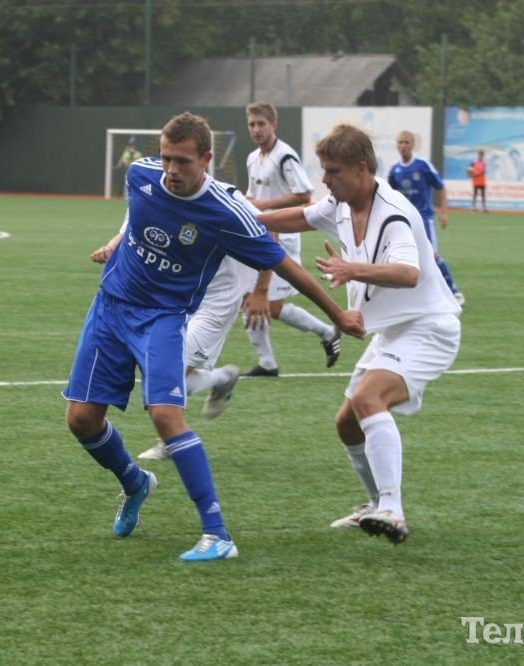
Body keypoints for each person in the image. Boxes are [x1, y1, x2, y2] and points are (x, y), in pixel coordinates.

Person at [63, 112, 363, 561]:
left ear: (206, 159)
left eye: (182, 161)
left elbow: (283, 263)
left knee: (166, 416)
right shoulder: (142, 174)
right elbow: (135, 217)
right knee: (81, 420)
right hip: (109, 308)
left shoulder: (226, 212)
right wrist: (114, 244)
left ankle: (217, 534)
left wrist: (337, 313)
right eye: (166, 158)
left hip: (164, 318)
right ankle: (134, 482)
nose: (170, 170)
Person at [256, 123, 461, 545]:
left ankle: (393, 510)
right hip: (392, 333)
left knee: (369, 399)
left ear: (362, 168)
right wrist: (251, 220)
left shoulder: (394, 212)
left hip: (429, 328)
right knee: (347, 424)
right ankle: (374, 506)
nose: (325, 180)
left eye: (332, 171)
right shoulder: (341, 203)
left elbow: (408, 273)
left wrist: (353, 269)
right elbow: (302, 216)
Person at [91, 224, 256, 462]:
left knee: (170, 371)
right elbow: (132, 226)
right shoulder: (155, 194)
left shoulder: (228, 203)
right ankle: (222, 379)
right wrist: (109, 247)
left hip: (216, 303)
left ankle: (169, 440)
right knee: (161, 370)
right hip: (174, 296)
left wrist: (258, 290)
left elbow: (267, 235)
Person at [241, 101, 342, 378]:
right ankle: (270, 362)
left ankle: (275, 359)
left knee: (256, 299)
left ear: (274, 125)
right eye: (252, 124)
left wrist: (263, 204)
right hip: (260, 233)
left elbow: (304, 195)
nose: (257, 129)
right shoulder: (253, 158)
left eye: (262, 123)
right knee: (258, 302)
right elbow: (255, 197)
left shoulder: (285, 156)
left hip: (282, 236)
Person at [388, 131, 465, 305]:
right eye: (401, 142)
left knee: (431, 256)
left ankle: (454, 291)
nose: (404, 146)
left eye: (407, 142)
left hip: (423, 218)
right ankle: (414, 295)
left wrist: (443, 212)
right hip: (404, 220)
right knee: (402, 255)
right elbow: (391, 195)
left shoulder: (422, 165)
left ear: (413, 144)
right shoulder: (395, 169)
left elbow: (441, 187)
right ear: (397, 145)